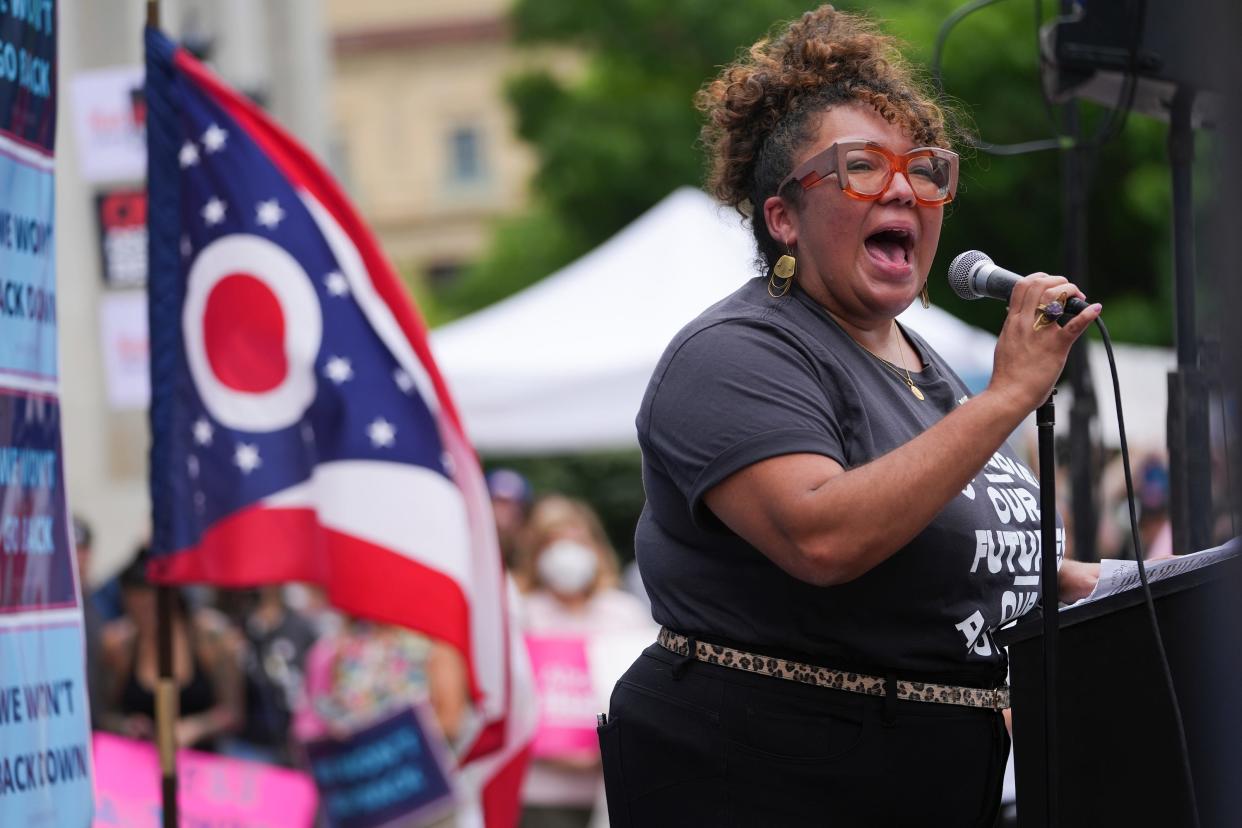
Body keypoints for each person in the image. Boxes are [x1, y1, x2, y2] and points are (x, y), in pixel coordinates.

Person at [599, 7, 1101, 826]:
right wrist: (1011, 396)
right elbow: (821, 538)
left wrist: (1143, 586)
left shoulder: (927, 370)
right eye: (862, 167)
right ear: (783, 216)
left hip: (927, 781)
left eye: (924, 169)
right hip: (768, 780)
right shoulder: (733, 354)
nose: (903, 187)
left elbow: (963, 568)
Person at [518, 496, 651, 828]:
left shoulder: (623, 613)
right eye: (553, 541)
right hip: (540, 793)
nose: (566, 552)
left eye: (576, 540)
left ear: (594, 546)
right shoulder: (521, 613)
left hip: (611, 793)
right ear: (536, 552)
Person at [101, 547, 243, 750]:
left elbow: (233, 712)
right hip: (139, 761)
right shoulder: (121, 645)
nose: (143, 616)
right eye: (134, 608)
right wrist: (126, 725)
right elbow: (103, 713)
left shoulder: (209, 637)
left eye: (149, 605)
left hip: (200, 762)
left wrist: (195, 727)